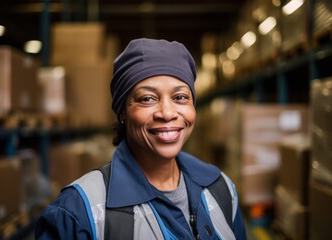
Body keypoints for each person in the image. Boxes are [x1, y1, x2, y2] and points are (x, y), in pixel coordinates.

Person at [35, 38, 246, 240]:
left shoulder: (221, 188)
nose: (167, 113)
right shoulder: (78, 211)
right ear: (122, 114)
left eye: (180, 97)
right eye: (147, 99)